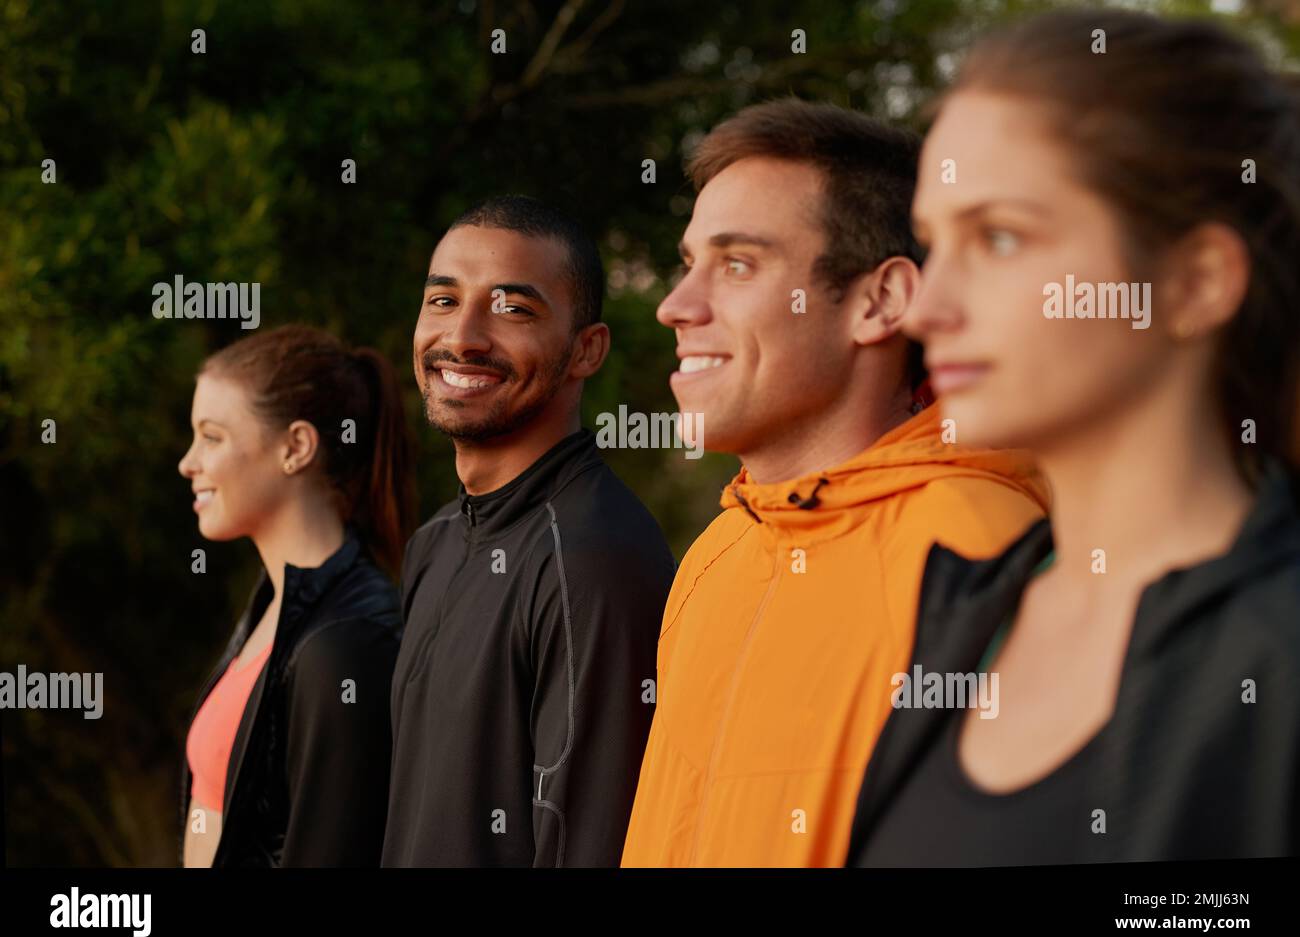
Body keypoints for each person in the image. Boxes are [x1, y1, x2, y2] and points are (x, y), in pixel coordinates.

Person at [849, 9, 1300, 866]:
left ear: (1197, 281)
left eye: (1002, 237)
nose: (929, 308)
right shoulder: (962, 616)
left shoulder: (1279, 662)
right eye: (936, 242)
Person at [620, 98, 1049, 867]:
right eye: (689, 264)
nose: (675, 306)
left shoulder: (986, 555)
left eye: (738, 264)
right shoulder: (713, 557)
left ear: (880, 302)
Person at [382, 195, 676, 867]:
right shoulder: (435, 540)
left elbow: (593, 841)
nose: (463, 338)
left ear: (586, 349)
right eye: (444, 301)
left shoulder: (596, 559)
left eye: (513, 309)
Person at [178, 324, 415, 866]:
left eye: (211, 436)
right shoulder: (275, 606)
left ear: (296, 447)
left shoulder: (347, 642)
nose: (188, 463)